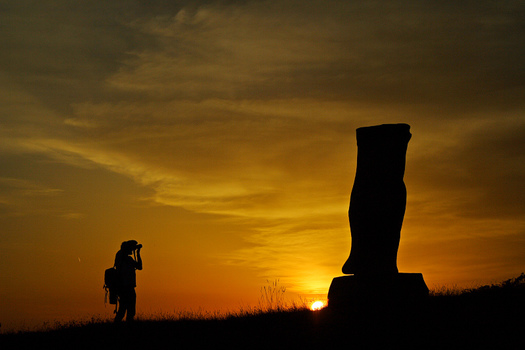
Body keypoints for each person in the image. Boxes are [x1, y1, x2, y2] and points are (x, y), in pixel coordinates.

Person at [114, 240, 142, 322]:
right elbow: (139, 266)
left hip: (126, 288)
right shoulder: (123, 258)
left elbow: (139, 267)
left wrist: (137, 252)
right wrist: (136, 250)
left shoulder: (125, 258)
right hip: (125, 288)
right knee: (125, 311)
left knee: (127, 311)